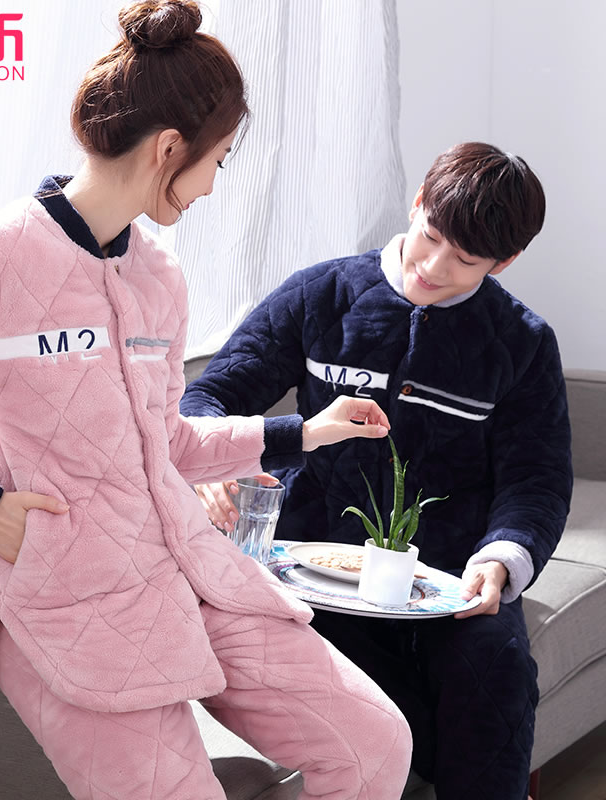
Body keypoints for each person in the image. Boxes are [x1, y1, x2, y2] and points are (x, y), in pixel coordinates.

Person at [0, 2, 413, 798]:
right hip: (60, 594)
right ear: (170, 149)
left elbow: (168, 444)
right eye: (218, 161)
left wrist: (305, 433)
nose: (211, 186)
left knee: (374, 743)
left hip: (184, 564)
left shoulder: (158, 276)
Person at [181, 141, 573, 800]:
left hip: (449, 577)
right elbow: (211, 395)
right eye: (431, 237)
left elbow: (536, 478)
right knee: (363, 688)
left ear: (503, 262)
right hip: (310, 564)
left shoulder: (522, 343)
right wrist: (210, 464)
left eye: (465, 260)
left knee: (496, 672)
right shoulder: (322, 293)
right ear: (417, 204)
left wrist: (503, 559)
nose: (434, 267)